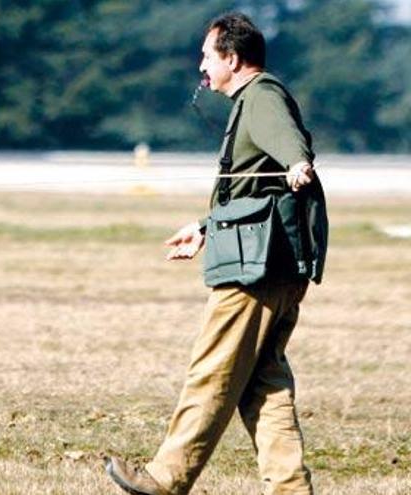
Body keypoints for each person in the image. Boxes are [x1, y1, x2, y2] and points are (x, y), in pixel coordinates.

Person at [105, 12, 326, 495]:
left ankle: (166, 478)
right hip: (275, 267)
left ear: (232, 57)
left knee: (213, 371)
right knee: (262, 385)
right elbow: (251, 189)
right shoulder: (252, 99)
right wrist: (206, 227)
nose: (201, 65)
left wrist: (297, 164)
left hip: (256, 271)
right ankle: (290, 488)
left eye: (208, 55)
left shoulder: (262, 97)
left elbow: (289, 143)